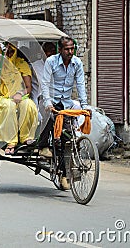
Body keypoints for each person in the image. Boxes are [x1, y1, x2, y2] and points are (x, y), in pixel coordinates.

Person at [40, 36, 90, 190]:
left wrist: (85, 105)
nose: (70, 52)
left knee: (66, 139)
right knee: (49, 118)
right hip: (50, 101)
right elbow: (45, 83)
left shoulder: (77, 63)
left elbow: (81, 84)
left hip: (66, 104)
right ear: (60, 50)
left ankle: (64, 174)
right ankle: (42, 147)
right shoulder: (51, 62)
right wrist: (48, 102)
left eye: (72, 49)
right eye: (67, 49)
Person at [0, 42, 38, 155]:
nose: (10, 54)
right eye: (8, 51)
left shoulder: (22, 64)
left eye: (12, 51)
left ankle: (25, 137)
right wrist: (3, 56)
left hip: (20, 96)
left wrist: (20, 94)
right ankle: (10, 141)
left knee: (29, 105)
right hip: (3, 97)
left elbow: (28, 88)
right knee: (9, 106)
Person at [31, 42, 57, 106]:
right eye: (49, 51)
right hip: (39, 99)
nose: (51, 54)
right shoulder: (35, 66)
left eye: (53, 51)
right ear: (43, 52)